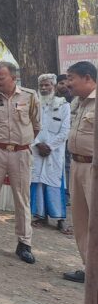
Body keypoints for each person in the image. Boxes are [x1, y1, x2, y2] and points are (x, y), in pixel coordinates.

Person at [0, 62, 40, 264]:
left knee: (22, 199)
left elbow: (35, 125)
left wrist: (21, 142)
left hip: (20, 153)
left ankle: (24, 243)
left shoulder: (29, 96)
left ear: (14, 78)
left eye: (0, 78)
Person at [62, 61, 96, 284]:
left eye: (71, 78)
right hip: (75, 165)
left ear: (87, 78)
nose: (67, 83)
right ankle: (90, 268)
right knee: (81, 220)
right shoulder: (78, 102)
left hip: (94, 167)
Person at [30, 74, 71, 232]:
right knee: (38, 182)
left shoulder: (63, 106)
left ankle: (60, 218)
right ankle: (40, 216)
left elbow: (65, 132)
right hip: (36, 149)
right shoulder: (34, 105)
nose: (44, 88)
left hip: (54, 153)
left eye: (47, 85)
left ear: (53, 87)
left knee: (55, 184)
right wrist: (38, 144)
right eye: (42, 85)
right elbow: (29, 127)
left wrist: (49, 146)